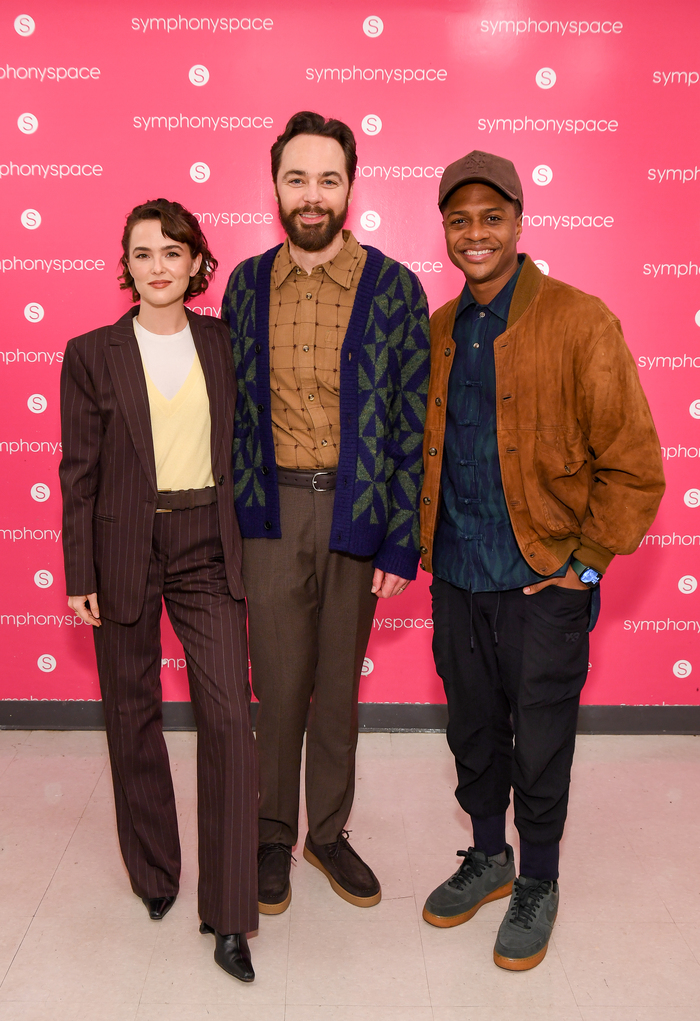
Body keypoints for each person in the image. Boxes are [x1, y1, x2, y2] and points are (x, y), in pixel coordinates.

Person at [419, 151, 665, 970]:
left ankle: (542, 879)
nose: (477, 232)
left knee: (544, 739)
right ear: (447, 232)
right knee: (472, 727)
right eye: (461, 220)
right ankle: (490, 857)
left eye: (492, 216)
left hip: (543, 581)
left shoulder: (580, 320)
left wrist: (585, 564)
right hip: (456, 572)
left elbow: (634, 463)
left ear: (519, 222)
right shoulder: (440, 331)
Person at [222, 111, 430, 914]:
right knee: (276, 683)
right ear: (275, 186)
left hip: (358, 514)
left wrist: (400, 540)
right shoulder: (243, 285)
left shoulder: (394, 288)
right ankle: (274, 831)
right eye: (297, 178)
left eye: (329, 178)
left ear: (351, 186)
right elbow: (227, 412)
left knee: (338, 688)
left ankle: (328, 833)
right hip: (270, 516)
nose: (313, 195)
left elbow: (414, 421)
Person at [59, 199, 258, 982]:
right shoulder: (91, 353)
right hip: (121, 548)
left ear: (196, 263)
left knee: (229, 724)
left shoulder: (223, 342)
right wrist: (80, 572)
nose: (159, 266)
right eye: (144, 254)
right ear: (127, 265)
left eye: (174, 252)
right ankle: (155, 873)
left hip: (208, 542)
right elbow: (78, 472)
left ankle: (231, 913)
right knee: (131, 715)